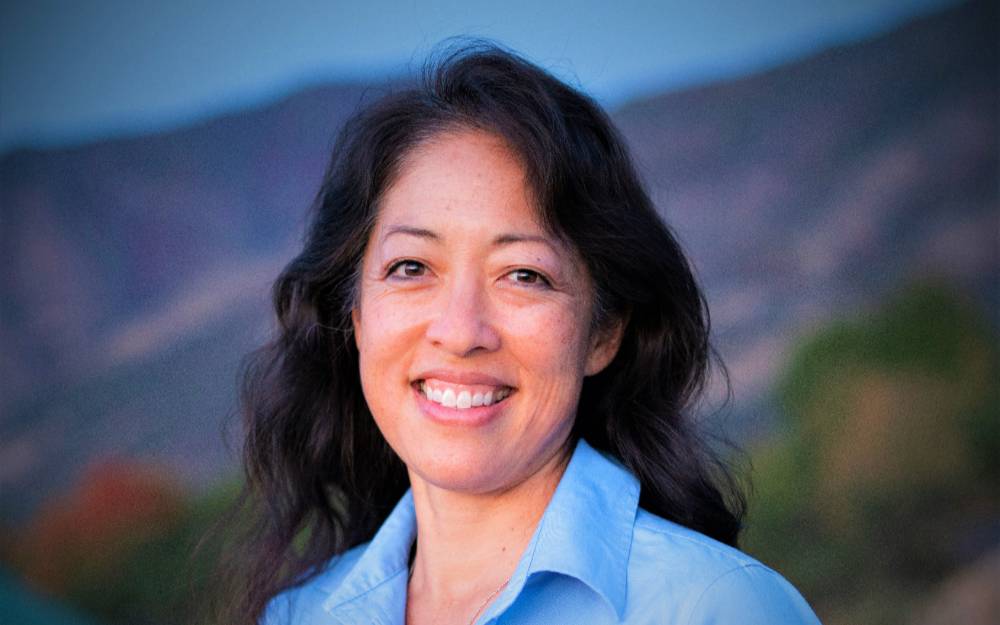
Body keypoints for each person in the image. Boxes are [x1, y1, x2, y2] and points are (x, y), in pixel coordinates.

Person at [221, 43, 822, 625]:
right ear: (355, 315)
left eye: (524, 275)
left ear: (603, 333)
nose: (461, 332)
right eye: (411, 267)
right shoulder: (299, 615)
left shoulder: (718, 608)